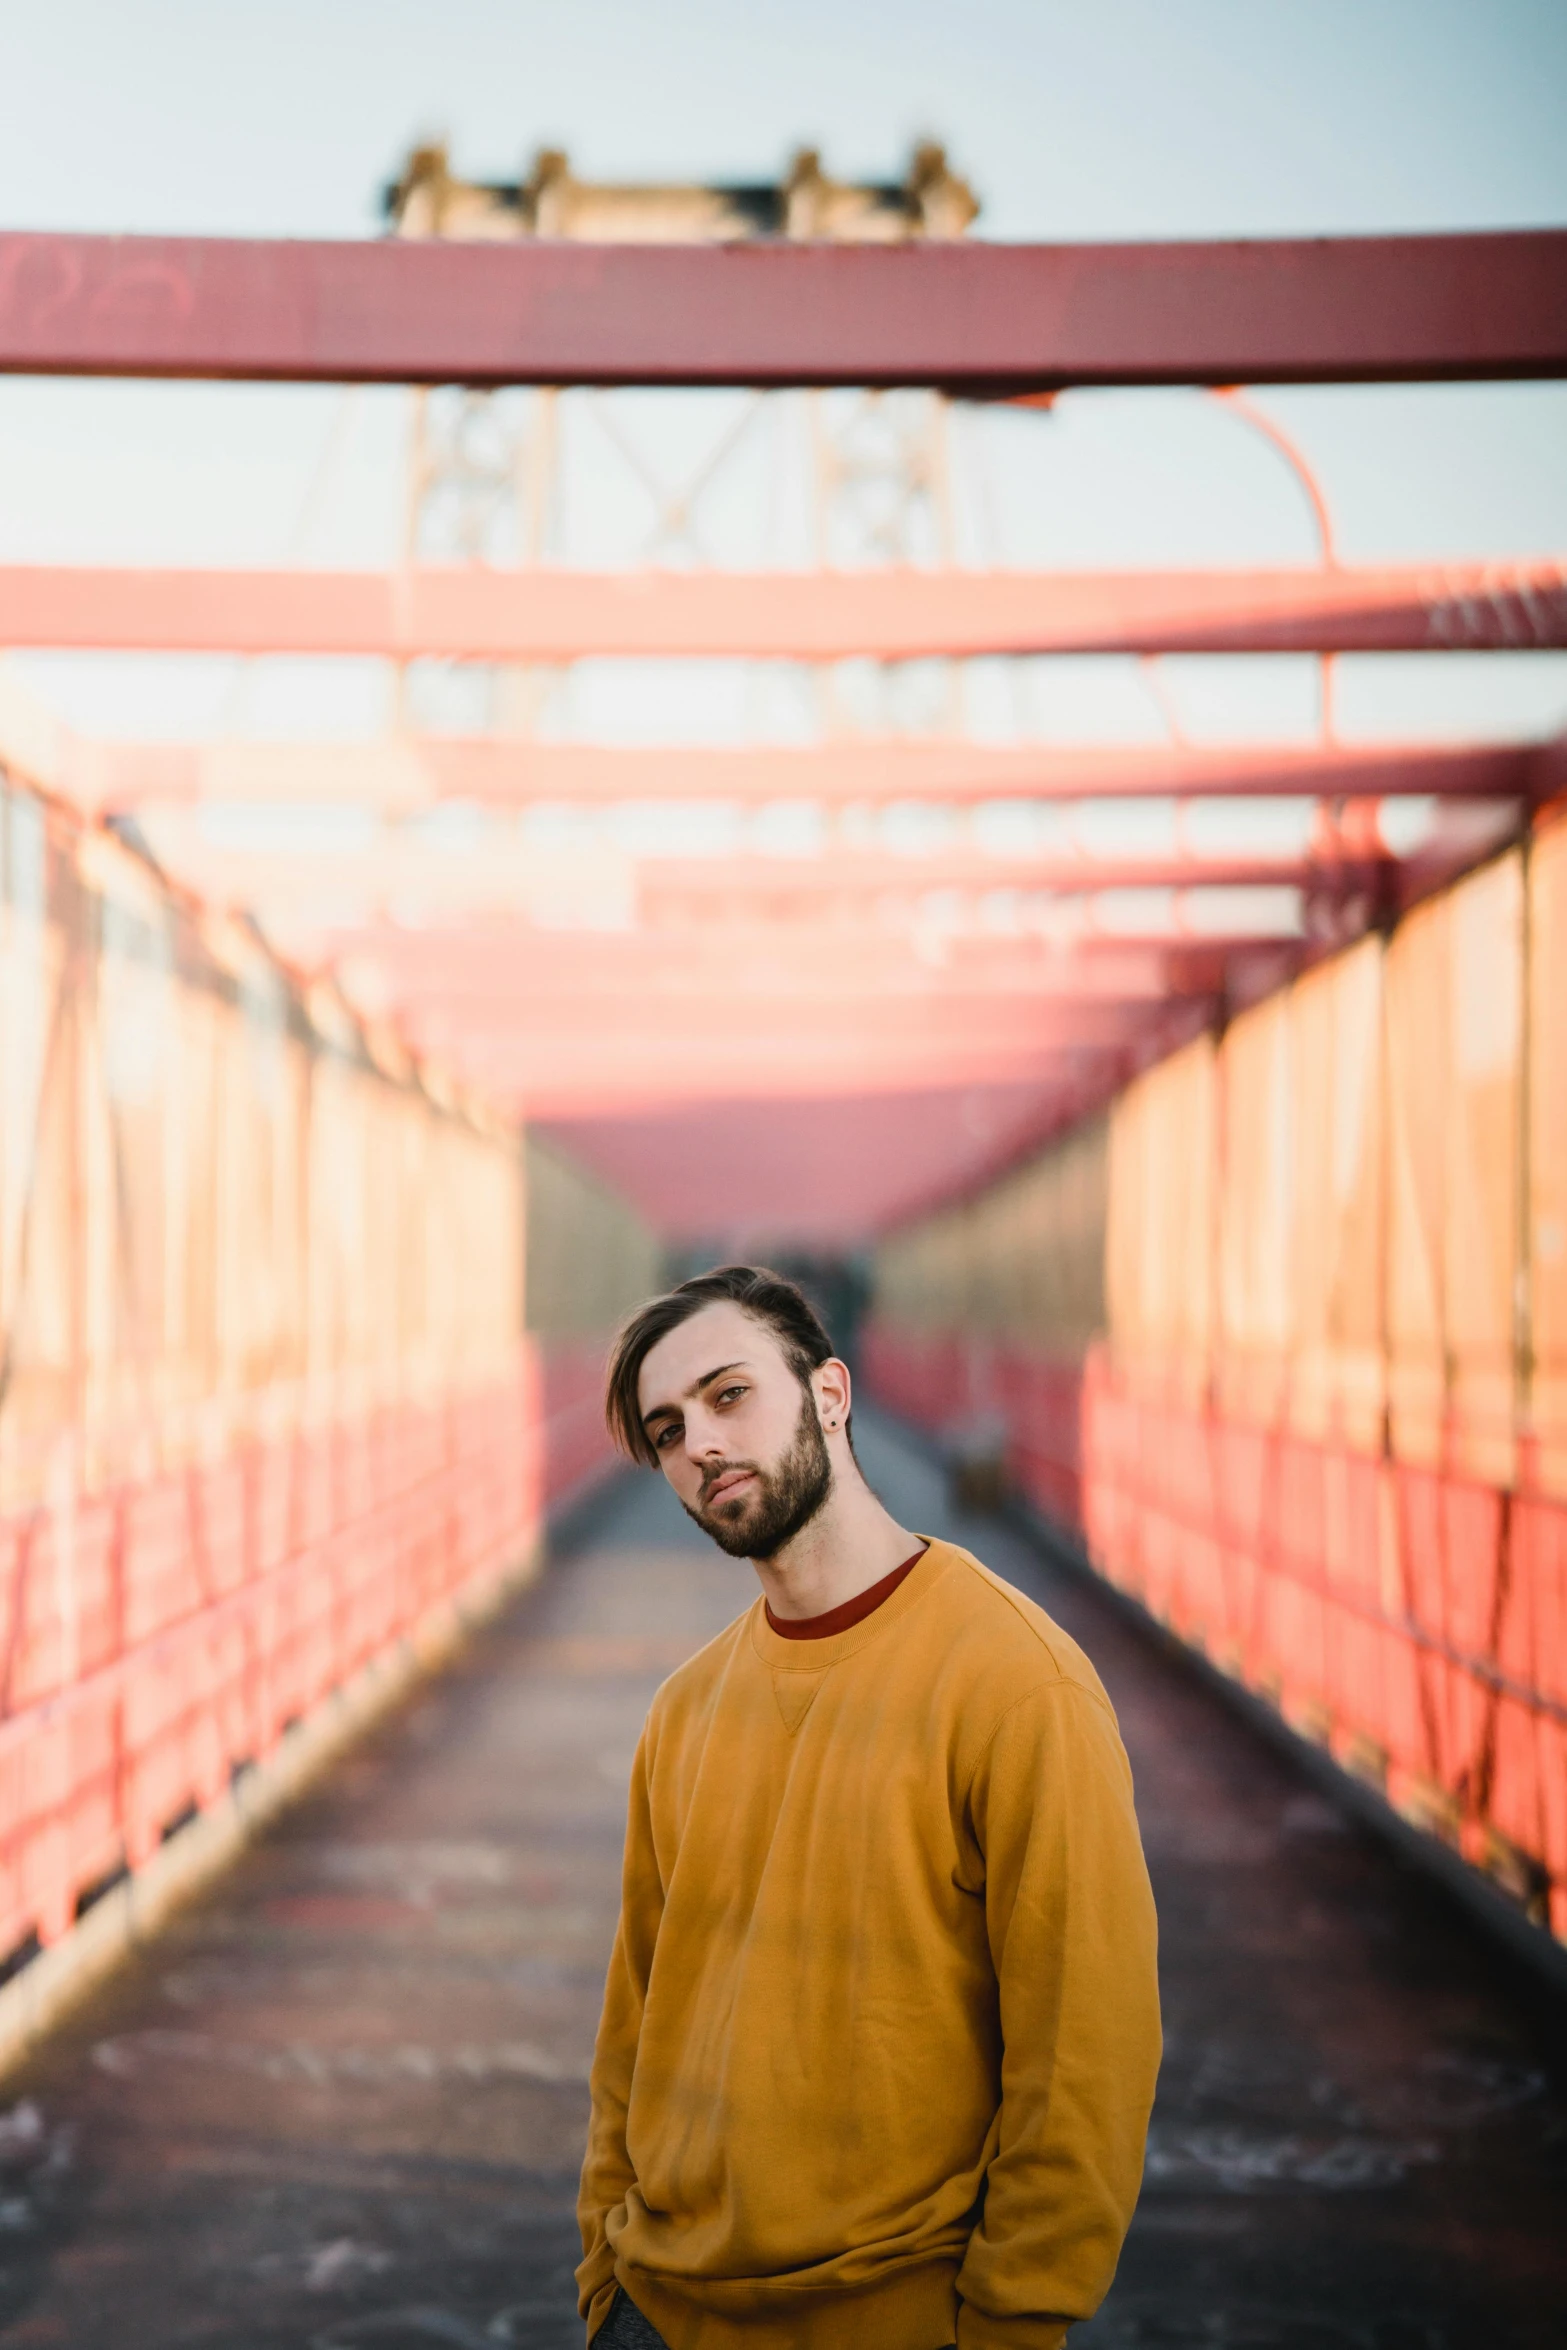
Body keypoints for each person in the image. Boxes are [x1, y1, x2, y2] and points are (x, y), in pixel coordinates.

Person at [577, 1265, 1160, 2350]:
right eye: (666, 1429)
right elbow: (636, 2027)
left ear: (830, 1394)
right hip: (657, 2311)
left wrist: (1013, 2322)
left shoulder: (1017, 1683)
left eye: (728, 1394)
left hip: (895, 2321)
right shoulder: (685, 1710)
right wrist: (605, 2271)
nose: (698, 1442)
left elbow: (1088, 2049)